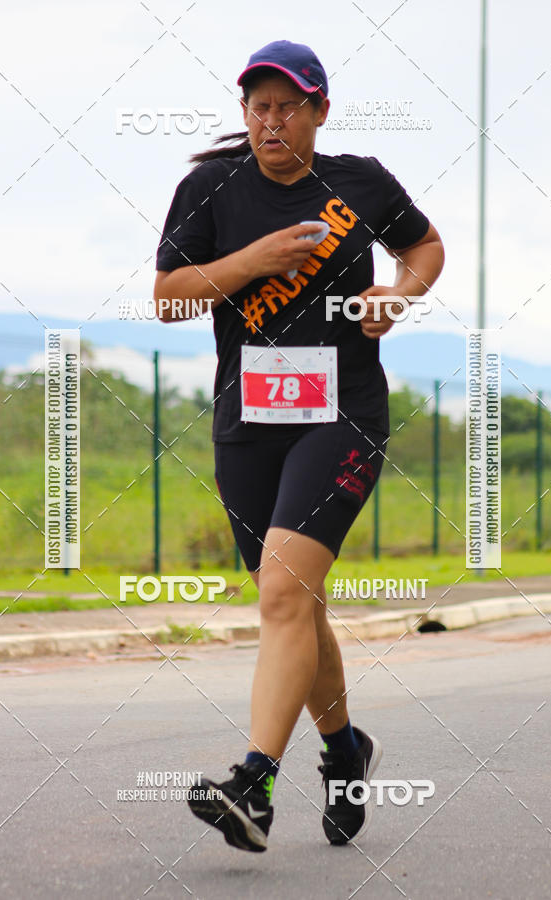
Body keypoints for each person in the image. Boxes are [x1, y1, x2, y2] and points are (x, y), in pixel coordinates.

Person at [154, 39, 444, 852]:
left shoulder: (359, 183)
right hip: (248, 422)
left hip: (340, 413)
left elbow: (425, 247)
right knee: (295, 603)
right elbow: (168, 298)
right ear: (243, 113)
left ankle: (253, 782)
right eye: (258, 107)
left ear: (320, 110)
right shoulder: (211, 188)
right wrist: (252, 261)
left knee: (282, 592)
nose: (271, 121)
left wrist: (398, 292)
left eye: (287, 106)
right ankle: (345, 752)